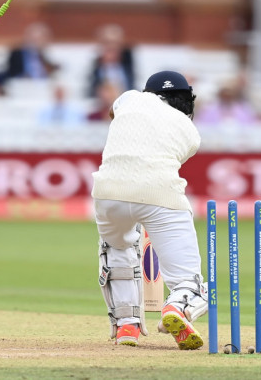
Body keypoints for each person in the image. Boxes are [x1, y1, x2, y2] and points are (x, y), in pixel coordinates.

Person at [92, 70, 207, 350]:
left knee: (117, 248)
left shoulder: (129, 99)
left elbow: (112, 113)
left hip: (108, 191)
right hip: (159, 194)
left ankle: (126, 325)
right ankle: (177, 307)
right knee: (188, 280)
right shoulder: (191, 133)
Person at [87, 24, 135, 97]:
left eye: (115, 43)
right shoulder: (94, 66)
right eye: (107, 42)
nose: (111, 46)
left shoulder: (128, 64)